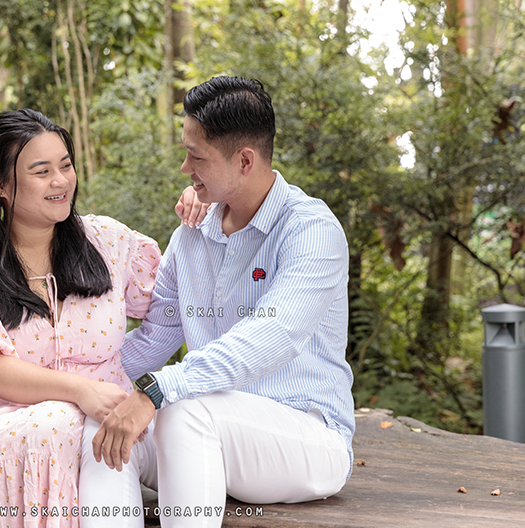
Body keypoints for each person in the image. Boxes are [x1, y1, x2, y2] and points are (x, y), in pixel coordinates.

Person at [0, 109, 205, 528]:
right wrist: (80, 389)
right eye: (42, 171)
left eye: (66, 165)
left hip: (105, 417)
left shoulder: (109, 241)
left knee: (87, 425)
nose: (60, 181)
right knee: (46, 424)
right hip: (2, 418)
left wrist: (201, 214)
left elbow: (176, 302)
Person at [81, 76, 355, 528]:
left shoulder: (311, 231)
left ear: (244, 160)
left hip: (305, 440)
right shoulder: (190, 238)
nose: (185, 168)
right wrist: (72, 385)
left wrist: (157, 390)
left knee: (184, 408)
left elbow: (273, 335)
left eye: (197, 156)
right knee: (101, 418)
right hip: (202, 435)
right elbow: (155, 337)